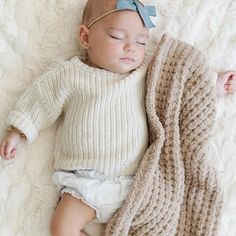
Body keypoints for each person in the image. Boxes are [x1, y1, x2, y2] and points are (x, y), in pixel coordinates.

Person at [0, 0, 235, 235]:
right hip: (84, 183)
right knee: (61, 228)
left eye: (141, 41)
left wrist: (213, 85)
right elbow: (41, 98)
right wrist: (19, 131)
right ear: (85, 37)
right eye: (116, 36)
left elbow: (177, 90)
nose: (131, 47)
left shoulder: (144, 74)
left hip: (138, 184)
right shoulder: (69, 74)